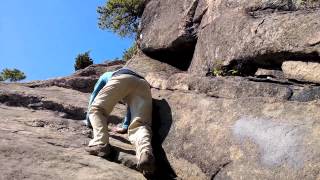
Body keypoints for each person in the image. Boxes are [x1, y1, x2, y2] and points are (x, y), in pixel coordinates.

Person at [85, 68, 155, 173]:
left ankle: (100, 143)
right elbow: (130, 107)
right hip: (144, 84)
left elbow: (95, 95)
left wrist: (89, 120)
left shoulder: (106, 75)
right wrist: (125, 125)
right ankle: (145, 153)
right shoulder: (134, 74)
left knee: (97, 109)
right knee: (140, 124)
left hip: (122, 77)